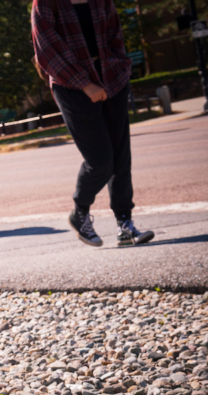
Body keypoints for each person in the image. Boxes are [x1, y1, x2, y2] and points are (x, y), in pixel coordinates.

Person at [32, 0, 154, 246]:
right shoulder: (45, 3)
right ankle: (80, 212)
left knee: (121, 157)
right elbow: (46, 51)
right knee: (101, 160)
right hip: (71, 86)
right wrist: (84, 83)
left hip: (112, 79)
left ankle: (124, 224)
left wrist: (121, 68)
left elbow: (115, 36)